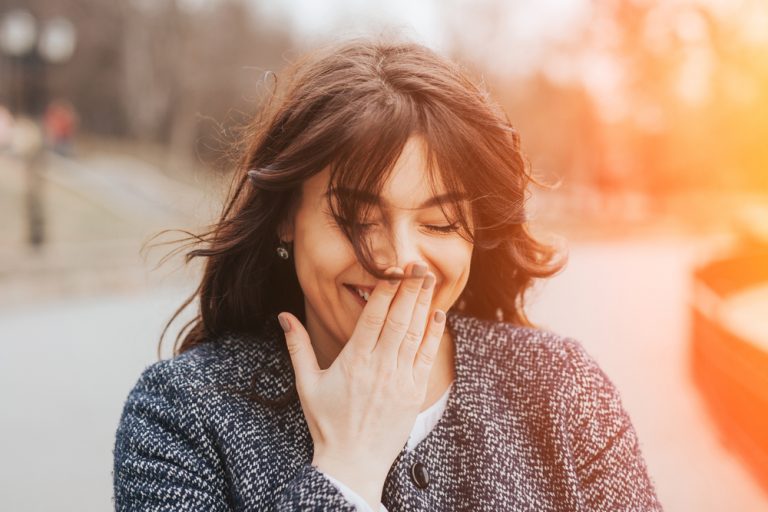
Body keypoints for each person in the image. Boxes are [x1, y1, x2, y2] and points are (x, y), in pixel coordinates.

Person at [113, 38, 663, 511]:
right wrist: (347, 467)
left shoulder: (562, 389)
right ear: (287, 218)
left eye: (441, 222)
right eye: (356, 218)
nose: (401, 258)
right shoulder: (183, 413)